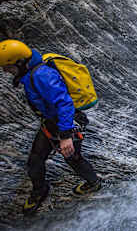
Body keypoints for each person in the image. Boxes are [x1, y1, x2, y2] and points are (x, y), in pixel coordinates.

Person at [0, 39, 101, 215]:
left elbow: (64, 103)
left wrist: (65, 135)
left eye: (7, 66)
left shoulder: (42, 76)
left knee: (72, 158)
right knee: (35, 160)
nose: (5, 70)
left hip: (67, 123)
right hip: (53, 122)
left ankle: (94, 183)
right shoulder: (31, 72)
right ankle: (40, 190)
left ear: (20, 62)